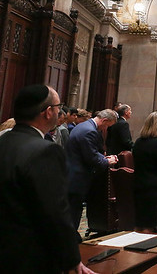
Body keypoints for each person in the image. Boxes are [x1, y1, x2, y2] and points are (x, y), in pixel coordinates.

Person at [0, 85, 96, 274]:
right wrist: (72, 259)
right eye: (58, 106)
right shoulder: (45, 150)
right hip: (29, 256)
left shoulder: (3, 141)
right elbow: (55, 211)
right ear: (48, 112)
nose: (60, 110)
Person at [66, 108, 119, 228]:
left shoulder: (84, 125)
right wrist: (108, 161)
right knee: (74, 210)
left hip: (74, 173)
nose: (106, 129)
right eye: (107, 126)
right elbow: (91, 157)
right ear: (104, 120)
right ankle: (71, 238)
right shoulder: (89, 131)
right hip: (78, 176)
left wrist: (104, 158)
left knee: (74, 209)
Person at [132, 111, 157, 231]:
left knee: (140, 223)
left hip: (139, 185)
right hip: (154, 188)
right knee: (152, 225)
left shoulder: (138, 142)